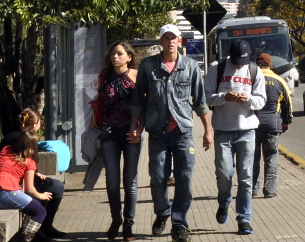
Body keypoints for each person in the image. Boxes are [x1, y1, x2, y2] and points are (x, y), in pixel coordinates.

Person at [129, 24, 212, 242]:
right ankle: (163, 213)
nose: (170, 42)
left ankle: (179, 225)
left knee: (184, 177)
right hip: (157, 131)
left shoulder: (191, 66)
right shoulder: (148, 66)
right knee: (158, 177)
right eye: (166, 38)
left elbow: (200, 101)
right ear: (160, 42)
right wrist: (135, 127)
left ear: (179, 41)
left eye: (174, 38)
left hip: (183, 131)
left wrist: (208, 130)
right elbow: (139, 99)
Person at [205, 40, 266, 235]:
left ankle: (244, 219)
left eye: (243, 61)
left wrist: (247, 100)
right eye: (237, 61)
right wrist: (225, 98)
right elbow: (207, 97)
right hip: (223, 129)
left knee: (246, 177)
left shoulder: (255, 70)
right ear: (230, 56)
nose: (240, 65)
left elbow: (261, 100)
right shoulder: (217, 68)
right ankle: (224, 203)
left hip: (247, 130)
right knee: (224, 174)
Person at [94, 41, 141, 240]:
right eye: (113, 53)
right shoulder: (104, 75)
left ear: (129, 57)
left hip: (131, 133)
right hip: (109, 132)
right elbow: (99, 103)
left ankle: (128, 225)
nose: (115, 57)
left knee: (130, 181)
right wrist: (91, 130)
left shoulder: (137, 76)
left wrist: (139, 128)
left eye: (120, 53)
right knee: (112, 180)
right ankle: (116, 219)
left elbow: (143, 105)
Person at [0, 124, 54, 242]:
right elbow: (30, 190)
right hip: (5, 193)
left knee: (33, 205)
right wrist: (41, 195)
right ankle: (28, 238)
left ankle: (25, 233)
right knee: (40, 211)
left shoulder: (6, 150)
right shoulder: (30, 162)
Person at [251, 52, 293, 199]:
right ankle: (269, 190)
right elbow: (288, 104)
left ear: (257, 63)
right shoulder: (279, 81)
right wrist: (286, 122)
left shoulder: (251, 79)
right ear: (270, 64)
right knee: (271, 157)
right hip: (272, 125)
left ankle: (253, 189)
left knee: (253, 158)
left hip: (253, 125)